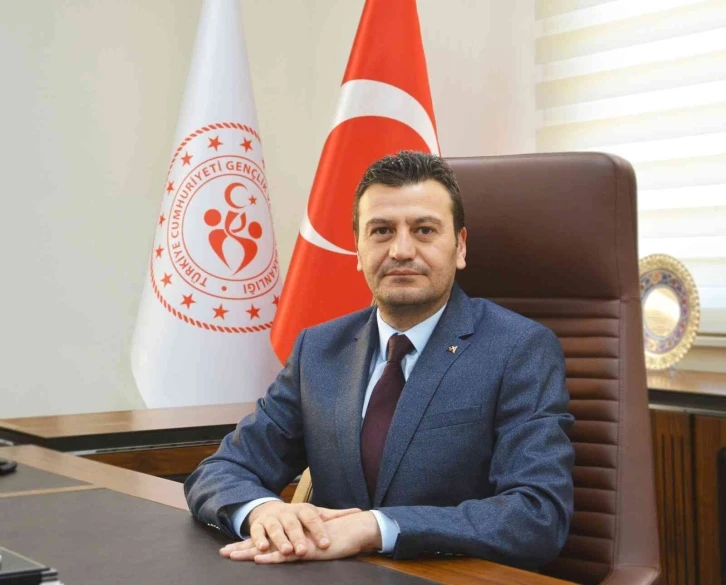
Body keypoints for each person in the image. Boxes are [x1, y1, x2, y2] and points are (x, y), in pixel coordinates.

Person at [184, 150, 575, 569]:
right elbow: (221, 470)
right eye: (382, 231)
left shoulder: (519, 349)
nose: (401, 250)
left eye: (424, 230)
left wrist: (377, 528)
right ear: (357, 248)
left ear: (460, 246)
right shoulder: (319, 349)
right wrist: (263, 511)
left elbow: (538, 514)